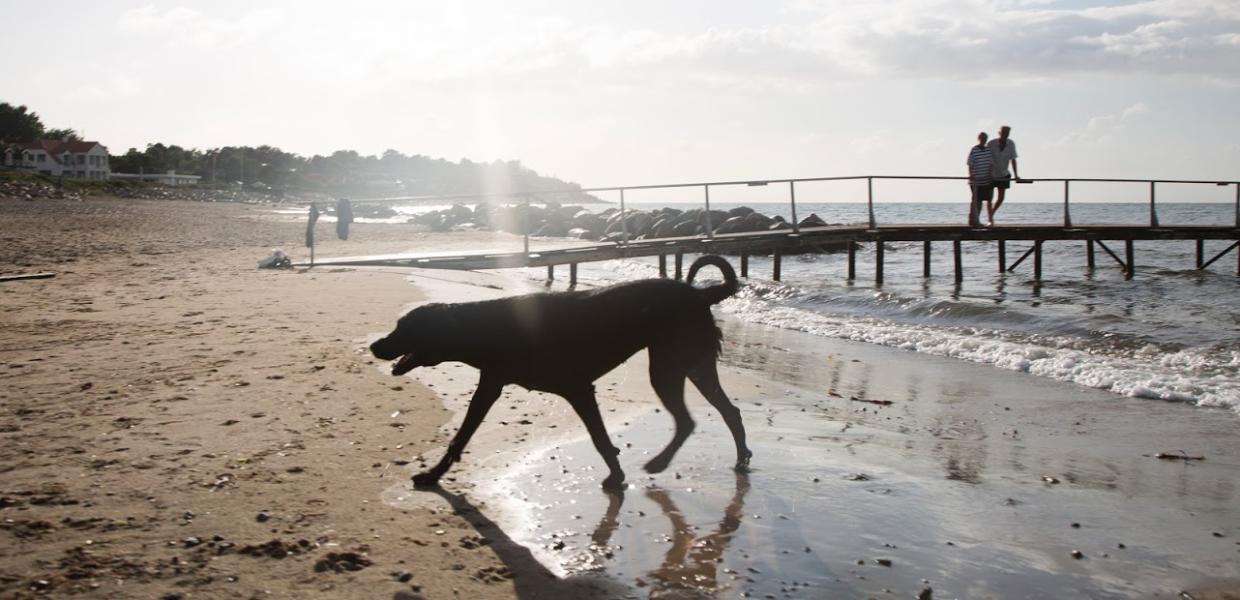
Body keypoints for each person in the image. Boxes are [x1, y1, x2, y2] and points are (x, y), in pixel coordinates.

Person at [986, 125, 1020, 225]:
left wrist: (1016, 175)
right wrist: (987, 173)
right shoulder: (991, 143)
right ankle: (990, 220)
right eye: (1003, 132)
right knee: (989, 198)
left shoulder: (1011, 143)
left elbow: (1013, 159)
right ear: (999, 133)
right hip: (991, 174)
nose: (1005, 134)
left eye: (1007, 132)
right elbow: (987, 159)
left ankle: (991, 215)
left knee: (1001, 198)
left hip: (1004, 173)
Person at [966, 131, 994, 228]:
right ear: (979, 139)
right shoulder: (974, 149)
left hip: (986, 180)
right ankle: (974, 220)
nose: (983, 140)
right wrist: (971, 175)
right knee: (976, 201)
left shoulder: (988, 150)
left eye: (985, 138)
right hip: (976, 180)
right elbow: (970, 163)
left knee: (987, 200)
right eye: (982, 138)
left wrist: (990, 174)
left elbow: (991, 164)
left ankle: (988, 220)